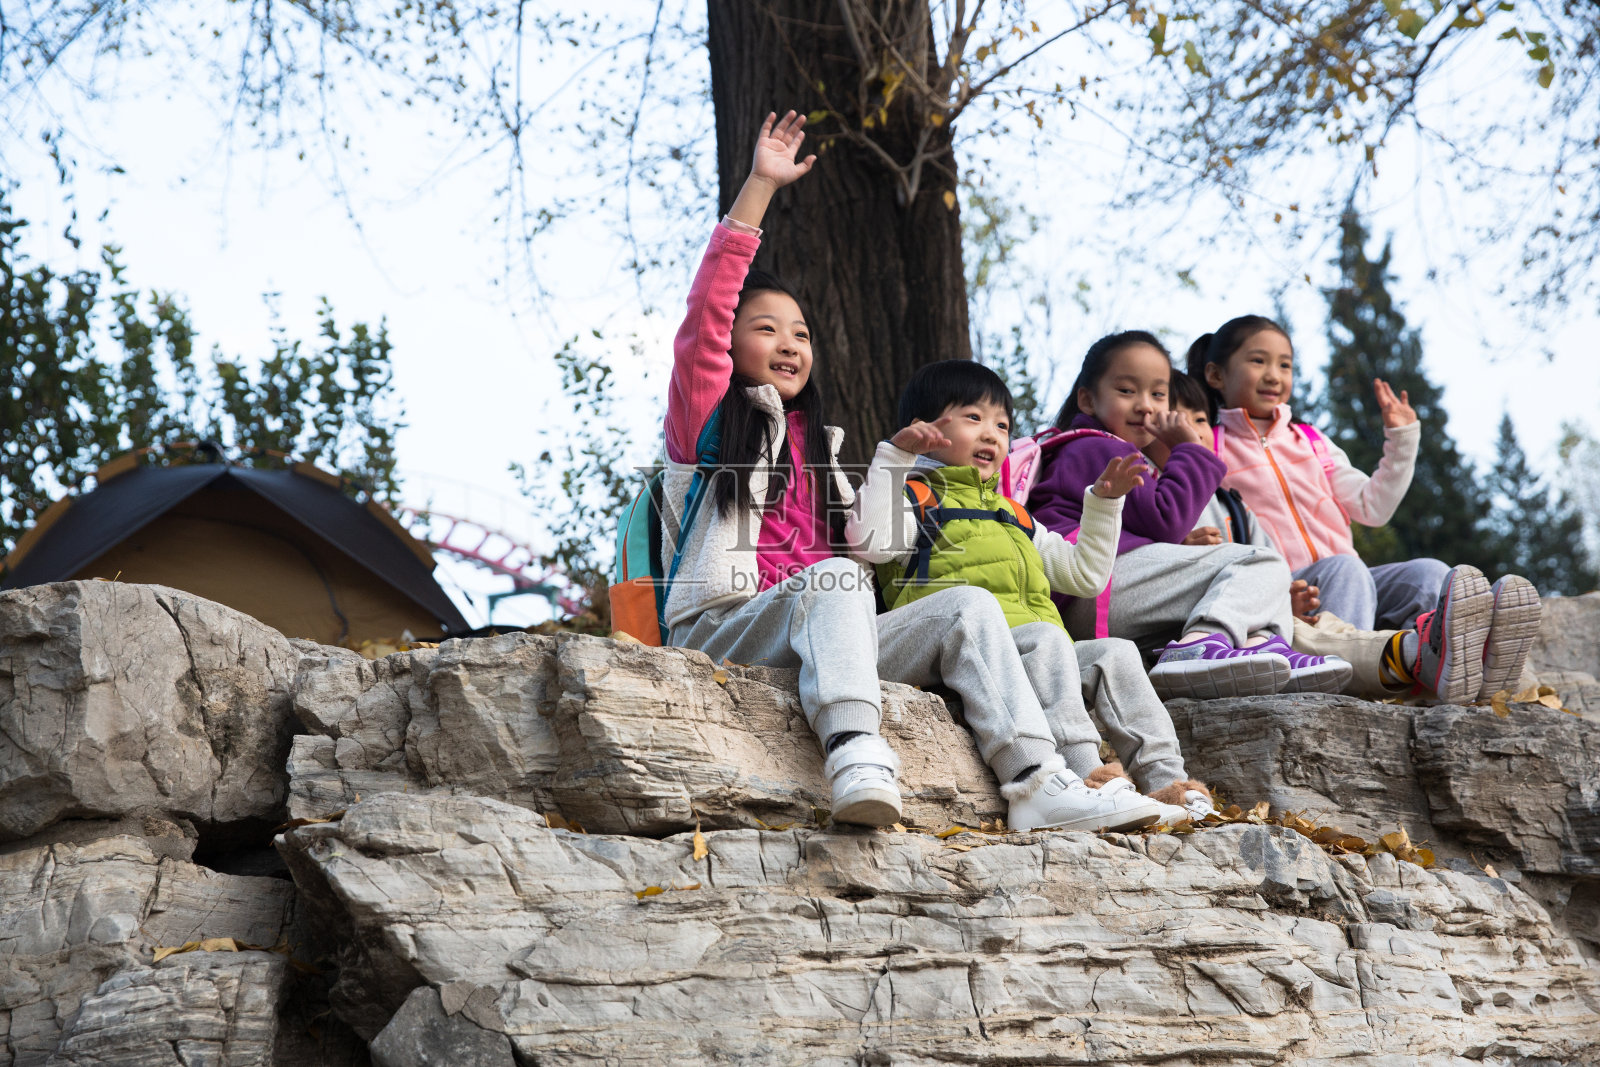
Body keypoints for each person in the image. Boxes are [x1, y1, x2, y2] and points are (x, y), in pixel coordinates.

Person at [663, 111, 1160, 832]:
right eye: (765, 328)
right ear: (730, 345)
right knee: (835, 581)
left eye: (801, 332)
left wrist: (891, 459)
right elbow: (706, 311)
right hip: (725, 628)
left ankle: (1036, 782)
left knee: (965, 604)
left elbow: (876, 550)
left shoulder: (830, 456)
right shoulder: (705, 428)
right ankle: (856, 750)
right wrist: (760, 189)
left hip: (827, 630)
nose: (789, 342)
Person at [847, 360, 1216, 827]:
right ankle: (1087, 778)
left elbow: (1084, 576)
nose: (992, 435)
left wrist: (1103, 503)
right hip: (965, 656)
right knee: (1045, 638)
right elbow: (872, 544)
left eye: (1002, 425)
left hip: (1037, 656)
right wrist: (895, 457)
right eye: (973, 418)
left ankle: (1172, 785)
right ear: (924, 427)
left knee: (1116, 654)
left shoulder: (1013, 515)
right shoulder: (916, 496)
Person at [1186, 315, 1540, 702]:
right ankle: (1351, 684)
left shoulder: (1310, 441)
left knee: (1431, 576)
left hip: (1347, 581)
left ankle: (1455, 671)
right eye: (1258, 361)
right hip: (1281, 590)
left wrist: (1402, 440)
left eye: (1284, 364)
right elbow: (1214, 528)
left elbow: (1373, 507)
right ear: (1216, 375)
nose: (1274, 375)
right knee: (1346, 566)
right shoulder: (1211, 447)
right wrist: (1275, 590)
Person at [1025, 331, 1351, 700]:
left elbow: (1157, 528)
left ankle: (1261, 649)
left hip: (1110, 593)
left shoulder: (1102, 449)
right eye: (1127, 391)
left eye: (1158, 394)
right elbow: (1168, 518)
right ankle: (1200, 645)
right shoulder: (1096, 448)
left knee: (1266, 574)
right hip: (1093, 589)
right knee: (1257, 561)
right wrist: (1187, 448)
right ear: (1087, 398)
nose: (1145, 405)